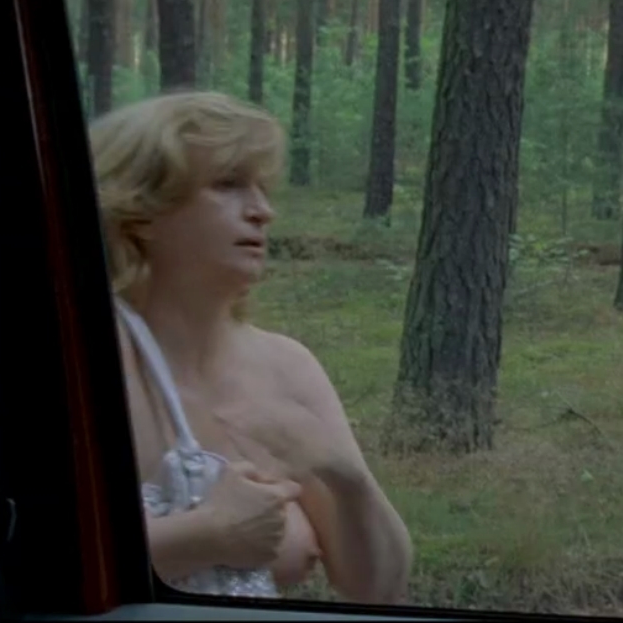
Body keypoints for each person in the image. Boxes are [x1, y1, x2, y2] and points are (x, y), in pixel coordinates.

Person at [89, 91, 413, 603]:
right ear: (140, 210)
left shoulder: (287, 367)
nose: (263, 211)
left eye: (262, 188)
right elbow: (29, 567)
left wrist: (347, 478)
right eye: (228, 184)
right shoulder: (80, 363)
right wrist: (209, 535)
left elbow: (378, 590)